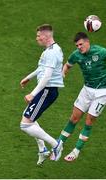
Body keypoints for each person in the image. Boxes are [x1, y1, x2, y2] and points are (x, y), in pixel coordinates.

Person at [51, 32, 106, 162]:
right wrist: (62, 75)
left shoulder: (101, 51)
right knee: (74, 118)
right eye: (77, 45)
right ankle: (59, 145)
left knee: (88, 121)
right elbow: (67, 65)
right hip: (86, 90)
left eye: (81, 44)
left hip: (102, 93)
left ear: (87, 42)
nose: (79, 47)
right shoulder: (76, 55)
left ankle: (76, 151)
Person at [20, 24, 64, 165]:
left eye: (39, 36)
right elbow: (41, 68)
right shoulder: (50, 50)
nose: (37, 38)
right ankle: (42, 150)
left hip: (47, 91)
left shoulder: (51, 53)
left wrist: (33, 93)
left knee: (25, 125)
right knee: (28, 116)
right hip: (46, 90)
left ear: (46, 36)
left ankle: (55, 144)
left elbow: (46, 76)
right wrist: (29, 77)